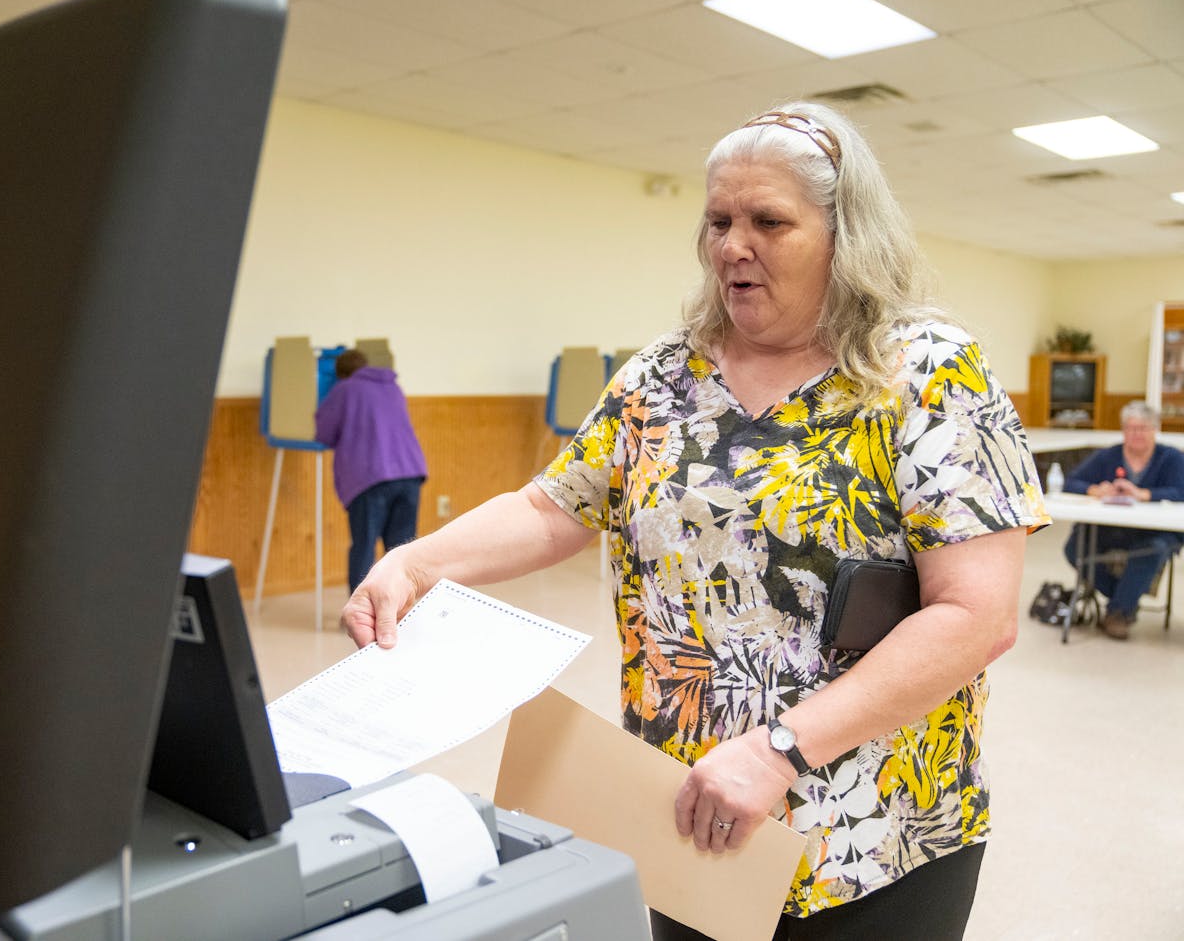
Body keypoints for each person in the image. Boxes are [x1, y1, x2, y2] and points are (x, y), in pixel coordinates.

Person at [340, 101, 1049, 940]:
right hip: (694, 817)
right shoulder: (662, 376)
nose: (731, 245)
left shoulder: (929, 371)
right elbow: (549, 508)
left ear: (844, 232)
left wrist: (779, 749)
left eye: (767, 221)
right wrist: (417, 562)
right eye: (718, 220)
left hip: (877, 832)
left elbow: (977, 614)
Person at [1062, 400, 1184, 640]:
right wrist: (1095, 490)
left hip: (1154, 533)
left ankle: (1119, 612)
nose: (1136, 434)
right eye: (1130, 428)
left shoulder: (1171, 458)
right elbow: (1072, 482)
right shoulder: (1108, 456)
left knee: (1153, 549)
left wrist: (1144, 494)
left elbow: (1180, 491)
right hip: (1111, 528)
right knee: (1074, 547)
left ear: (1154, 430)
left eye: (1143, 428)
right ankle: (1124, 597)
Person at [315, 349, 427, 590]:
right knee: (400, 551)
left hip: (370, 477)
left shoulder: (345, 388)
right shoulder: (392, 386)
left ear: (341, 373)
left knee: (364, 546)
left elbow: (323, 432)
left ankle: (363, 617)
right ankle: (398, 611)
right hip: (410, 473)